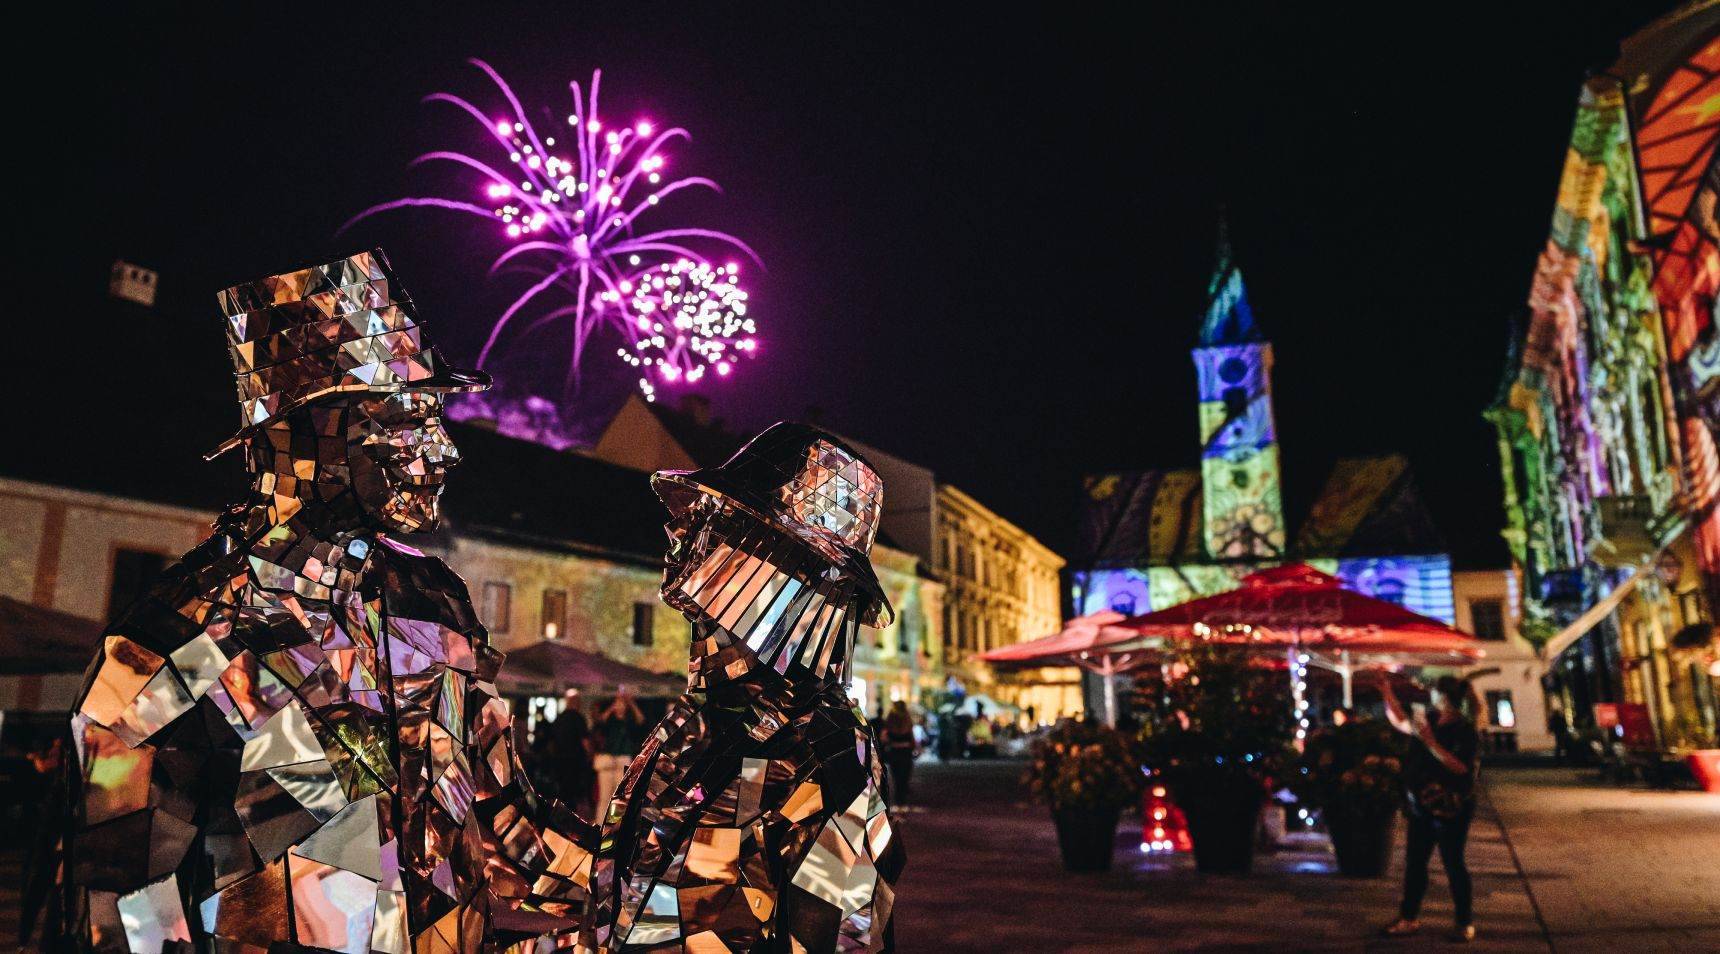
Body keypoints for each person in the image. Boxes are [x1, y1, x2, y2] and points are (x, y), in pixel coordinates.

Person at [49, 251, 594, 950]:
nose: (445, 452)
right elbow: (124, 907)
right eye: (407, 420)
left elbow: (502, 806)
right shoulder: (173, 642)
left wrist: (629, 872)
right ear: (308, 437)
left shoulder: (432, 603)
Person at [580, 423, 904, 951]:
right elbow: (628, 894)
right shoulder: (696, 721)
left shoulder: (823, 746)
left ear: (784, 570)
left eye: (721, 522)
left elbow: (847, 932)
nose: (680, 529)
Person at [1375, 671, 1481, 943]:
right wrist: (1387, 692)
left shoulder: (1464, 730)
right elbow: (1400, 722)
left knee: (1453, 862)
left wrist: (1431, 743)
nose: (1430, 696)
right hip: (1421, 804)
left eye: (1434, 693)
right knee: (1415, 863)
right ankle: (1408, 918)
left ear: (1445, 698)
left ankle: (1464, 921)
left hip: (1451, 806)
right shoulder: (1429, 720)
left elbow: (1461, 767)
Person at [592, 685, 646, 805]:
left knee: (621, 796)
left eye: (622, 703)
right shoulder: (610, 721)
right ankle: (601, 821)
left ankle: (616, 822)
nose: (619, 705)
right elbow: (601, 721)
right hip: (607, 761)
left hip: (623, 759)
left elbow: (641, 720)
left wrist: (631, 703)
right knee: (604, 796)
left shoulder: (629, 721)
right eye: (618, 703)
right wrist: (612, 707)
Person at [551, 688, 597, 816]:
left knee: (563, 792)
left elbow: (552, 742)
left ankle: (561, 817)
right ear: (575, 702)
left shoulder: (559, 718)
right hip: (575, 762)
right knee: (575, 793)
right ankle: (572, 818)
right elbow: (585, 741)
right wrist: (590, 756)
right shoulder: (578, 718)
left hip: (560, 761)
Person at [880, 700, 920, 804]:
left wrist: (890, 743)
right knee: (904, 775)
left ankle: (899, 795)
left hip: (894, 751)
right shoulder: (907, 719)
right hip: (906, 751)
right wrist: (914, 747)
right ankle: (902, 795)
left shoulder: (890, 718)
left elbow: (884, 737)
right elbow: (911, 736)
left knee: (896, 775)